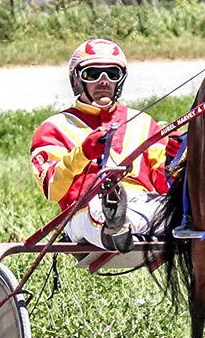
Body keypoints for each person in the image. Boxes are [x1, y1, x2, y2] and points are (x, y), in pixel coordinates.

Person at [30, 39, 171, 252]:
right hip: (83, 210)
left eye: (112, 74)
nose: (103, 81)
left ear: (120, 81)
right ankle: (115, 225)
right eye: (92, 74)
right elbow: (52, 189)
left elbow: (163, 183)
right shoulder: (53, 127)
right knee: (99, 209)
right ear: (76, 80)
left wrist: (175, 158)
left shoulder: (143, 121)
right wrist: (83, 153)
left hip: (142, 205)